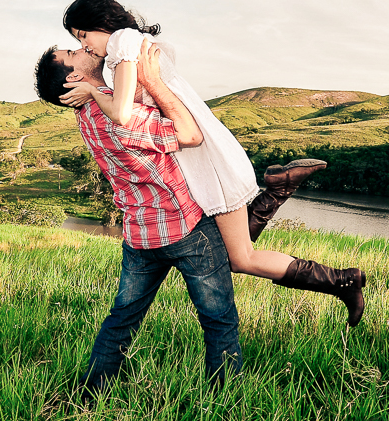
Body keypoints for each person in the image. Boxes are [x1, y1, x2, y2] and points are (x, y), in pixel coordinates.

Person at [58, 0, 365, 324]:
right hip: (190, 153)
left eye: (83, 36)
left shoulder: (122, 44)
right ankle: (280, 194)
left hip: (200, 154)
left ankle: (341, 278)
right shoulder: (124, 49)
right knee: (232, 252)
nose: (84, 45)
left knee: (240, 257)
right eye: (77, 41)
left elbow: (122, 112)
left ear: (101, 22)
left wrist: (92, 91)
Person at [35, 40, 242, 394]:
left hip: (140, 234)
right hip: (185, 226)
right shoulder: (119, 114)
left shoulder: (87, 115)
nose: (82, 48)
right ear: (73, 79)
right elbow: (191, 135)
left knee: (122, 319)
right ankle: (226, 401)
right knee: (219, 320)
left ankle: (91, 394)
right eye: (72, 53)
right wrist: (154, 81)